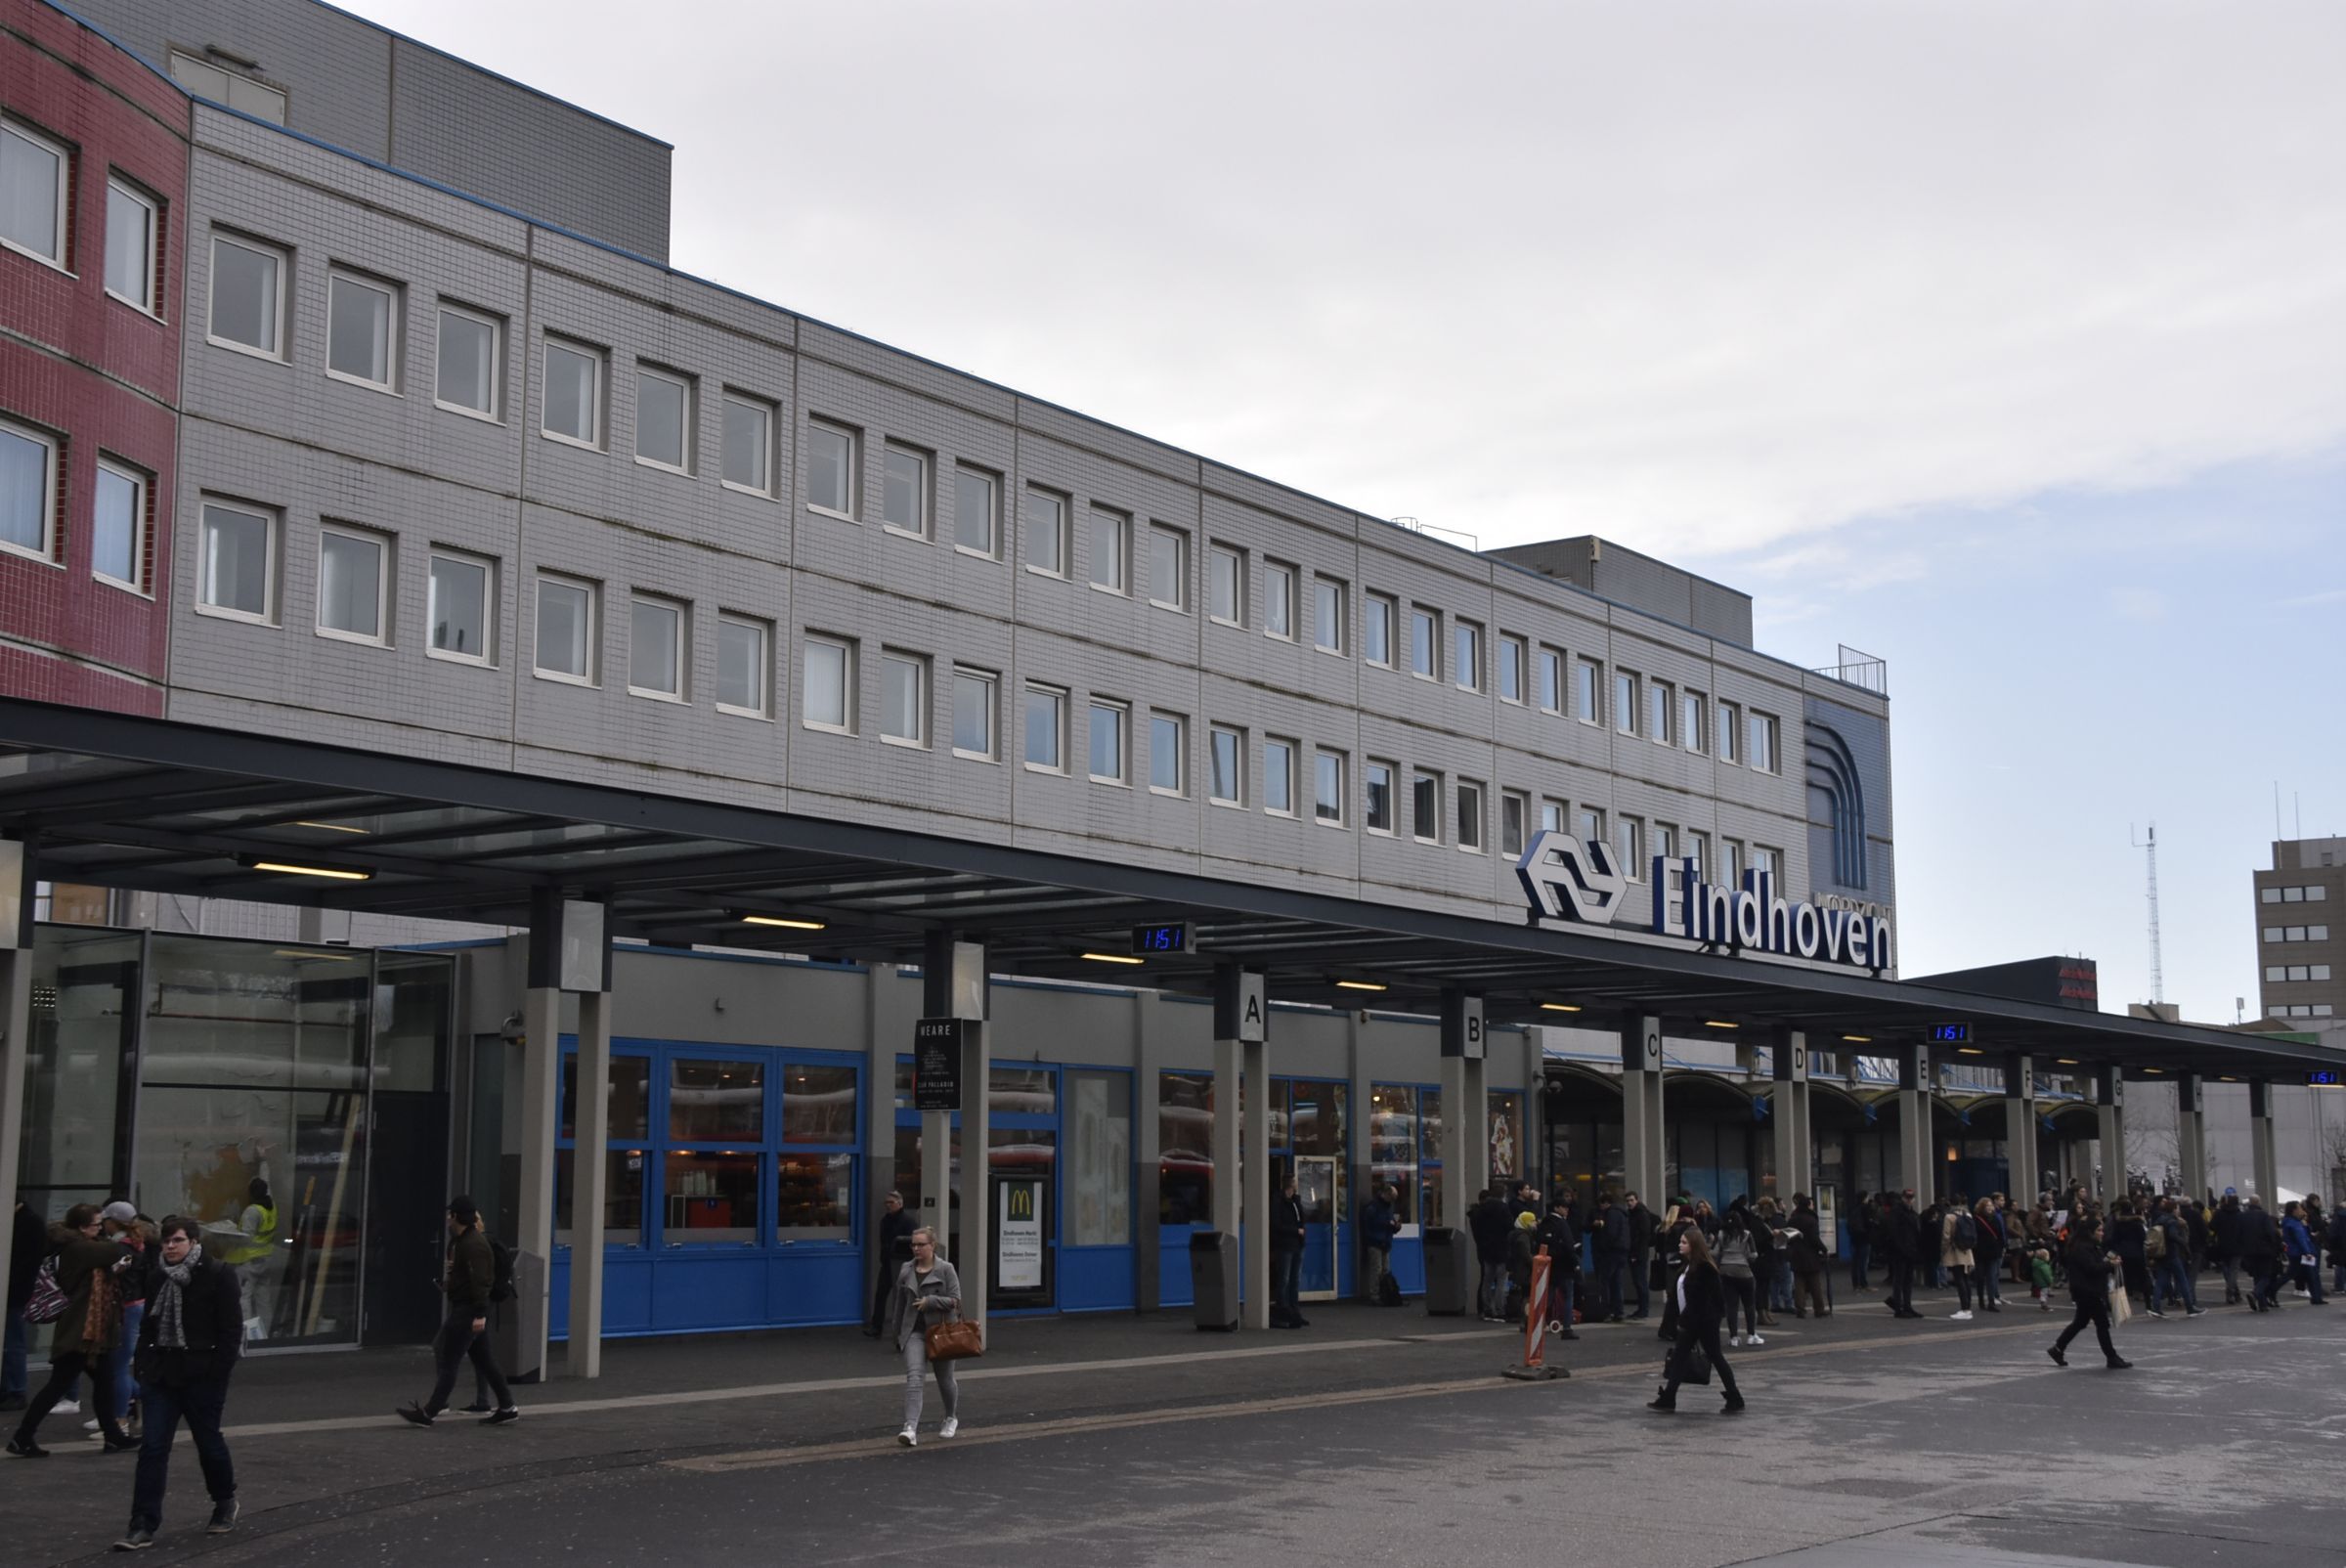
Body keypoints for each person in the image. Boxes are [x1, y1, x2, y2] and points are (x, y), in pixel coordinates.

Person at [113, 1215, 242, 1550]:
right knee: (153, 1448)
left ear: (193, 1242)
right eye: (167, 1241)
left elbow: (231, 1330)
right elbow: (149, 1325)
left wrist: (218, 1372)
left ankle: (224, 1501)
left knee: (208, 1442)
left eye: (178, 1241)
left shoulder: (218, 1274)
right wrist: (144, 1365)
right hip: (162, 1374)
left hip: (202, 1374)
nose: (170, 1247)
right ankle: (142, 1524)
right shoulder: (157, 1275)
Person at [8, 1203, 137, 1458]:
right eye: (96, 1225)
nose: (101, 1228)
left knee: (104, 1383)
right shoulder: (77, 1248)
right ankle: (22, 1437)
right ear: (81, 1227)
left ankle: (113, 1437)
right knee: (58, 1385)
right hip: (79, 1331)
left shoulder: (83, 1245)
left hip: (92, 1332)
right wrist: (128, 1235)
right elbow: (116, 1251)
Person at [396, 1197, 517, 1427]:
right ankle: (507, 1406)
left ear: (456, 1216)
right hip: (470, 1308)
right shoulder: (466, 1241)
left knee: (450, 1360)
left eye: (450, 1214)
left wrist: (480, 1314)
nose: (447, 1218)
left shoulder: (472, 1244)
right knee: (485, 1360)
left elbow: (481, 1282)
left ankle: (429, 1412)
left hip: (468, 1310)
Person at [1647, 1225, 1744, 1415]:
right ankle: (1668, 1398)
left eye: (1684, 1242)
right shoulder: (1687, 1266)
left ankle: (1735, 1396)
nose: (1680, 1245)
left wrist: (1707, 1319)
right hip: (1691, 1321)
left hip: (1704, 1322)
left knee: (1715, 1357)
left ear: (1694, 1245)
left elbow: (1712, 1299)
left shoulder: (1706, 1268)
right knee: (1679, 1357)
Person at [887, 1226, 962, 1446]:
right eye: (913, 1244)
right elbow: (899, 1304)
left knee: (945, 1379)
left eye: (921, 1244)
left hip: (941, 1332)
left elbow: (955, 1300)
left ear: (932, 1246)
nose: (916, 1248)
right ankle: (910, 1428)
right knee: (914, 1377)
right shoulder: (906, 1269)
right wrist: (897, 1333)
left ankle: (950, 1417)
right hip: (914, 1332)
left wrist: (931, 1302)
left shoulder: (946, 1269)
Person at [2046, 1215, 2130, 1371]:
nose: (2102, 1233)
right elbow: (2092, 1268)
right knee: (2102, 1324)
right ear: (2090, 1232)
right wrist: (2110, 1265)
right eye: (2099, 1230)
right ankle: (2111, 1357)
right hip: (2088, 1290)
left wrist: (2110, 1262)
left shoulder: (2088, 1246)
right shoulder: (2082, 1248)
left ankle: (2058, 1348)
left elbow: (2097, 1264)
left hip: (2086, 1289)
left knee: (2080, 1322)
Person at [99, 1202, 153, 1441]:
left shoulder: (120, 1248)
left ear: (113, 1222)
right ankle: (146, 1399)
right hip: (136, 1305)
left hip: (126, 1308)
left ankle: (120, 1419)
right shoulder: (137, 1244)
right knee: (118, 1365)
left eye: (105, 1221)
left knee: (118, 1367)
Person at [4, 1196, 44, 1413]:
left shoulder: (28, 1224)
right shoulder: (28, 1222)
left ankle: (16, 1390)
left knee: (13, 1343)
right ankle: (12, 1389)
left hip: (16, 1294)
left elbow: (25, 1265)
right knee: (12, 1342)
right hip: (16, 1292)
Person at [865, 1191, 914, 1338]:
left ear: (900, 1204)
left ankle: (902, 1329)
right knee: (881, 1294)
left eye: (891, 1203)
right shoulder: (885, 1220)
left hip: (902, 1263)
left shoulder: (908, 1221)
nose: (888, 1205)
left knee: (901, 1297)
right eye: (886, 1203)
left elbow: (910, 1242)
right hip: (887, 1263)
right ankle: (876, 1326)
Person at [235, 1180, 280, 1341]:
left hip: (250, 1259)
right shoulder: (271, 1207)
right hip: (265, 1257)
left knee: (244, 1297)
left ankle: (247, 1335)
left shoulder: (252, 1211)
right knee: (263, 1297)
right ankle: (265, 1333)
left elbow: (245, 1237)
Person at [1533, 1195, 1580, 1339]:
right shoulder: (1562, 1224)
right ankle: (1567, 1328)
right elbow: (1568, 1245)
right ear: (1557, 1208)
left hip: (1548, 1264)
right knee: (1568, 1296)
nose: (1567, 1210)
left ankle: (1535, 1323)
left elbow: (1538, 1242)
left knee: (1547, 1295)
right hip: (1564, 1265)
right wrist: (1575, 1262)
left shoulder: (1544, 1223)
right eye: (1564, 1207)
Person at [1716, 1208, 1761, 1346]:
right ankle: (1751, 1335)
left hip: (1725, 1270)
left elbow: (1715, 1252)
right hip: (1743, 1270)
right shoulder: (1746, 1234)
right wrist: (1746, 1257)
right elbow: (1753, 1254)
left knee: (1731, 1305)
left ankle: (1734, 1337)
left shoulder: (1721, 1234)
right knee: (1749, 1304)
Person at [1270, 1174, 1308, 1328]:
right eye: (1295, 1182)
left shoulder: (1295, 1201)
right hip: (1285, 1245)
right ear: (1290, 1185)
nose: (1297, 1185)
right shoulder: (1278, 1202)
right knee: (1284, 1279)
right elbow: (1276, 1224)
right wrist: (1295, 1231)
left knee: (1295, 1279)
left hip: (1297, 1244)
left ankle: (1295, 1311)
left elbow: (1301, 1219)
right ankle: (1283, 1310)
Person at [2150, 1198, 2200, 1316]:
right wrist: (2183, 1242)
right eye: (2177, 1208)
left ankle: (2155, 1307)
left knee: (2160, 1281)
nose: (2178, 1210)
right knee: (2182, 1279)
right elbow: (2173, 1235)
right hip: (2172, 1254)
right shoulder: (2172, 1221)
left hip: (2161, 1253)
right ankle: (2190, 1306)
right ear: (2173, 1209)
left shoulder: (2159, 1220)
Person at [1469, 1188, 1512, 1323]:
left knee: (1487, 1280)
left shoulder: (1481, 1209)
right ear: (1503, 1195)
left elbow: (1477, 1229)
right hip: (1501, 1248)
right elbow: (1509, 1227)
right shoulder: (1504, 1208)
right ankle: (1500, 1309)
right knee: (1501, 1281)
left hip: (1486, 1249)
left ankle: (1487, 1308)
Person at [1786, 1195, 1829, 1318]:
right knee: (1815, 1283)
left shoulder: (1792, 1219)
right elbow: (1815, 1238)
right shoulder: (1811, 1219)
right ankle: (1819, 1309)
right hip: (1810, 1254)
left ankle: (1800, 1309)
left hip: (1796, 1254)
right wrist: (1824, 1249)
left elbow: (1788, 1237)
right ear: (1808, 1205)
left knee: (1799, 1283)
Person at [2238, 1196, 2282, 1311]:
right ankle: (2255, 1293)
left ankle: (2262, 1304)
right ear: (2258, 1202)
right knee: (2266, 1276)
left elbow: (2240, 1233)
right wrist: (2274, 1245)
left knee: (2257, 1276)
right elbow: (2270, 1232)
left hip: (2248, 1250)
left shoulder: (2243, 1216)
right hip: (2264, 1250)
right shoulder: (2264, 1215)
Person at [1591, 1191, 1629, 1322]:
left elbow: (1610, 1233)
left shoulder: (1611, 1214)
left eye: (1601, 1205)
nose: (1600, 1208)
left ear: (1605, 1203)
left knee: (1605, 1281)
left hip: (1611, 1252)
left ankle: (1606, 1311)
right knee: (1617, 1282)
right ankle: (1618, 1311)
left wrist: (1604, 1247)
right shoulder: (1622, 1214)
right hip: (1622, 1252)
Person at [1884, 1192, 1922, 1319]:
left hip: (1910, 1250)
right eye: (1907, 1198)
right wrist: (1901, 1247)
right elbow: (1893, 1232)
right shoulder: (1898, 1212)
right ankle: (1899, 1308)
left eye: (1911, 1198)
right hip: (1901, 1251)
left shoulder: (1910, 1212)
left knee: (1907, 1280)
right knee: (1900, 1279)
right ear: (1903, 1198)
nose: (1909, 1200)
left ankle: (1906, 1306)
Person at [1360, 1184, 1400, 1303]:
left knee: (1385, 1269)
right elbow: (1368, 1225)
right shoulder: (1373, 1207)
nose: (1392, 1201)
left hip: (1385, 1242)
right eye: (1391, 1198)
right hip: (1375, 1242)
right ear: (1386, 1194)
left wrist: (1396, 1227)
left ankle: (1384, 1293)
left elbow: (1389, 1223)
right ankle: (1375, 1294)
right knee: (1377, 1269)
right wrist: (1388, 1224)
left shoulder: (1387, 1207)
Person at [2281, 1202, 2325, 1306]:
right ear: (2294, 1210)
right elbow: (2302, 1239)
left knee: (2309, 1274)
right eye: (2300, 1208)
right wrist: (2308, 1252)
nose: (2302, 1211)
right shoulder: (2293, 1223)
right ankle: (2316, 1297)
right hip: (2301, 1253)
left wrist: (2304, 1223)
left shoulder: (2293, 1222)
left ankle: (2317, 1297)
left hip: (2299, 1252)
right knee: (2308, 1274)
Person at [1940, 1196, 1977, 1320]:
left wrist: (1943, 1251)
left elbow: (1946, 1236)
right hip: (1967, 1250)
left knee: (1959, 1279)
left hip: (1955, 1250)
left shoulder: (1949, 1216)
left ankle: (1964, 1309)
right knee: (1966, 1279)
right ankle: (1968, 1308)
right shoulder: (1968, 1214)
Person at [1624, 1192, 1657, 1319]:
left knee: (1640, 1281)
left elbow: (1643, 1236)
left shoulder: (1641, 1214)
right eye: (1628, 1201)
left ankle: (1643, 1310)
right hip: (1637, 1252)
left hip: (1639, 1253)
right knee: (1638, 1282)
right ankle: (1642, 1309)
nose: (1629, 1203)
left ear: (1636, 1200)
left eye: (1631, 1200)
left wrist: (1635, 1254)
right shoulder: (1634, 1214)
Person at [2211, 1189, 2244, 1305]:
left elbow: (2212, 1226)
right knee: (2234, 1270)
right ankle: (2231, 1291)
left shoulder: (2219, 1213)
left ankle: (2235, 1292)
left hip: (2222, 1244)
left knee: (2226, 1269)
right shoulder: (2240, 1215)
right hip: (2237, 1245)